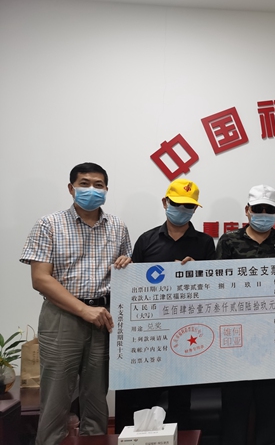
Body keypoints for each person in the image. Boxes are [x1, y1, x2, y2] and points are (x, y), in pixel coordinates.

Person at [20, 163, 132, 445]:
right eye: (84, 183)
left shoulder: (118, 226)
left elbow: (126, 271)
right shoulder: (49, 224)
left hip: (103, 317)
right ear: (71, 188)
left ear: (106, 189)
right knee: (56, 399)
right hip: (62, 317)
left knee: (96, 400)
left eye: (98, 185)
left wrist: (127, 263)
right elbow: (40, 279)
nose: (91, 190)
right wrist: (84, 310)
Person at [119, 178, 216, 427]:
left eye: (189, 206)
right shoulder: (146, 240)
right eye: (177, 204)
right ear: (165, 203)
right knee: (147, 394)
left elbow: (215, 288)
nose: (182, 210)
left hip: (189, 331)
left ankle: (182, 437)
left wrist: (198, 272)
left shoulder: (205, 243)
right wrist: (125, 268)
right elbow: (133, 287)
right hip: (152, 331)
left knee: (182, 397)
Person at [215, 184, 275, 445]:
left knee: (270, 407)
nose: (263, 214)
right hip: (236, 336)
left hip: (273, 337)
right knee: (234, 407)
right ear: (247, 210)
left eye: (269, 210)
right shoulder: (229, 241)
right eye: (258, 209)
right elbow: (217, 287)